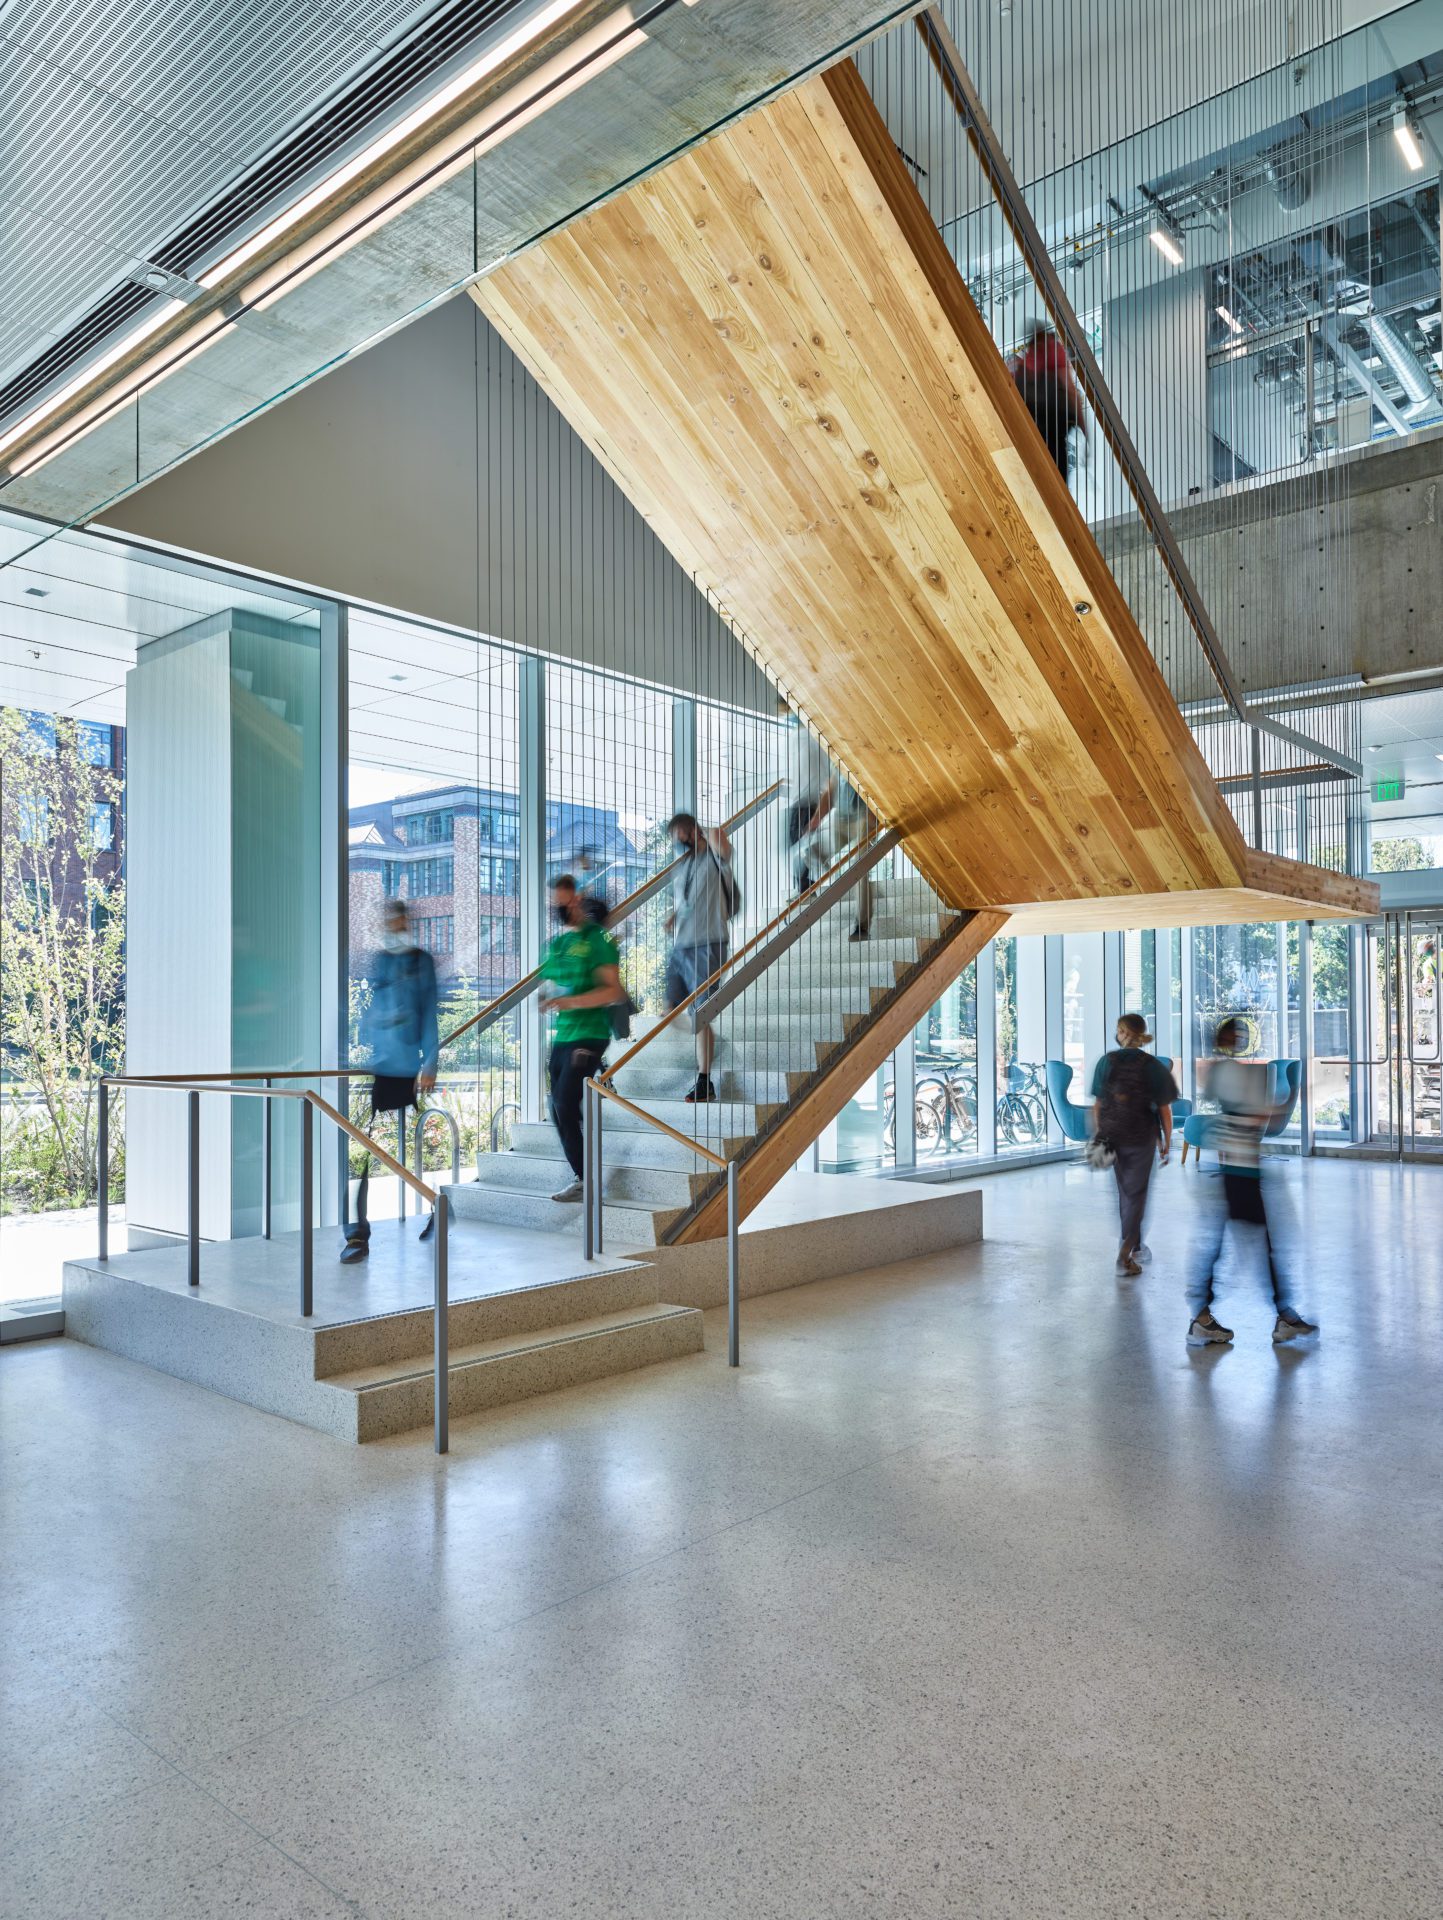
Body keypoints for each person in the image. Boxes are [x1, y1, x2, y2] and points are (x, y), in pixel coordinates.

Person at [1187, 1017, 1318, 1345]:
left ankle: (1206, 1316)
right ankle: (1279, 1316)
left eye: (1243, 1033)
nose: (1241, 1037)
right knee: (1260, 1244)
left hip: (1239, 1169)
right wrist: (1280, 1105)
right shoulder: (1230, 1071)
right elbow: (1251, 1115)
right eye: (1237, 1033)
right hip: (1239, 1171)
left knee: (1238, 1244)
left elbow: (1245, 1112)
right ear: (1226, 1038)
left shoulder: (1224, 1070)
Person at [342, 899, 438, 1264]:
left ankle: (435, 1208)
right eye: (387, 920)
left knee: (405, 1149)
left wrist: (430, 1061)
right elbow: (371, 1013)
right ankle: (357, 1233)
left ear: (406, 921)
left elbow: (428, 1012)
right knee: (369, 1151)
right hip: (381, 1066)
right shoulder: (381, 961)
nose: (391, 925)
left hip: (407, 1069)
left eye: (396, 919)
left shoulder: (419, 961)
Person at [538, 874, 624, 1203]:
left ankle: (586, 1178)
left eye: (564, 900)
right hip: (564, 1034)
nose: (559, 907)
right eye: (554, 902)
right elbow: (550, 984)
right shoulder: (557, 945)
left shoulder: (599, 939)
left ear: (576, 898)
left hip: (591, 1033)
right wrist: (547, 998)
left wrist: (570, 1001)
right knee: (558, 1106)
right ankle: (582, 1174)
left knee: (563, 1101)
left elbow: (613, 991)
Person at [1091, 1013, 1177, 1278]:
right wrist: (1166, 1140)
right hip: (1141, 1135)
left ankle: (1134, 1244)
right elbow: (1164, 1110)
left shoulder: (1107, 1062)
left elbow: (1098, 1105)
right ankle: (1126, 1251)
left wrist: (1100, 1135)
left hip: (1113, 1135)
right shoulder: (1153, 1065)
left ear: (1122, 1033)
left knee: (1124, 1192)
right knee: (1137, 1194)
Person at [664, 812, 738, 1104]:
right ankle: (709, 1040)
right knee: (669, 1011)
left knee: (700, 1013)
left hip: (710, 942)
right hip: (682, 946)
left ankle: (704, 1077)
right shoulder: (685, 865)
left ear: (692, 831)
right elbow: (687, 902)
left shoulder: (715, 858)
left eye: (681, 835)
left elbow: (721, 838)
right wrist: (673, 917)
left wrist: (699, 831)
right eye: (675, 838)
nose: (678, 842)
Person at [1009, 321, 1086, 481]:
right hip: (1053, 419)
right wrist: (1083, 426)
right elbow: (1069, 388)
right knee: (1057, 467)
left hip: (1033, 419)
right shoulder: (1054, 350)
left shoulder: (1027, 360)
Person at [778, 698, 833, 895]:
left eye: (784, 711)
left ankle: (805, 888)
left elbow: (824, 774)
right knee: (798, 845)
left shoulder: (803, 737)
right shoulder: (803, 736)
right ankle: (805, 886)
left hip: (806, 801)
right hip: (805, 800)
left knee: (800, 845)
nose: (784, 716)